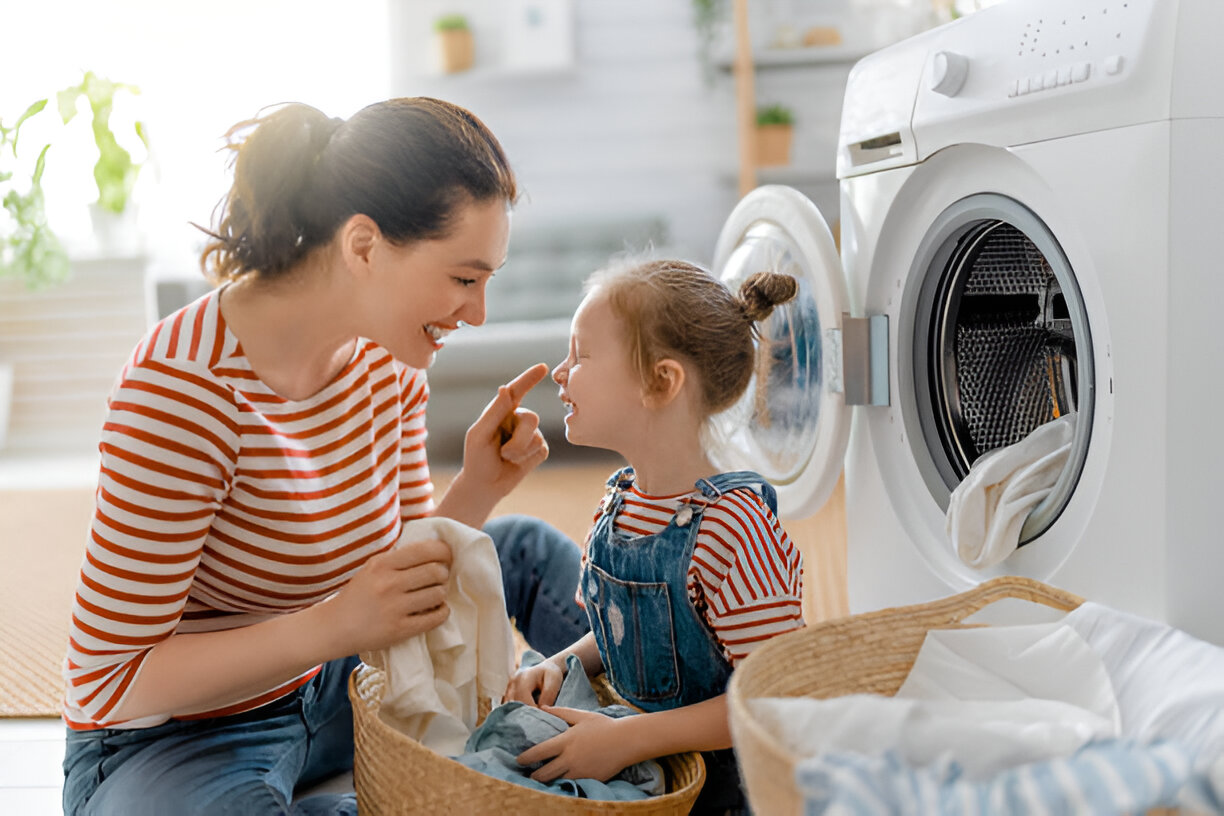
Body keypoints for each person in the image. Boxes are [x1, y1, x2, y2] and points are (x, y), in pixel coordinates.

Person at [60, 97, 575, 815]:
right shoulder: (183, 388)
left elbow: (392, 578)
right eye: (464, 279)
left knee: (519, 550)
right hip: (181, 736)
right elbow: (110, 679)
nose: (478, 313)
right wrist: (333, 625)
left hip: (334, 685)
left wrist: (480, 488)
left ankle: (636, 730)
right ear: (363, 246)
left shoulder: (392, 363)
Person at [494, 258, 807, 815]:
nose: (561, 373)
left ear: (661, 382)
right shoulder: (621, 503)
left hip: (724, 792)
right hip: (636, 765)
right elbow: (623, 631)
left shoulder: (735, 529)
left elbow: (774, 697)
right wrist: (561, 664)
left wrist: (627, 740)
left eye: (581, 355)